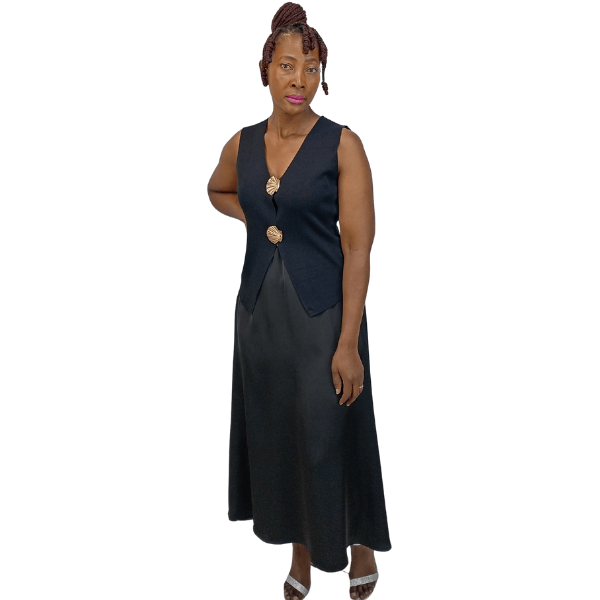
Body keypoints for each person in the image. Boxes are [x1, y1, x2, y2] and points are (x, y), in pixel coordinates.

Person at [207, 4, 391, 599]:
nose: (299, 81)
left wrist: (348, 343)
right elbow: (216, 189)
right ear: (265, 69)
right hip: (260, 316)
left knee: (332, 433)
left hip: (325, 319)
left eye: (311, 69)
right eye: (287, 66)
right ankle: (300, 554)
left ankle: (360, 544)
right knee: (281, 437)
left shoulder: (343, 145)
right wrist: (254, 216)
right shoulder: (243, 143)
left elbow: (358, 249)